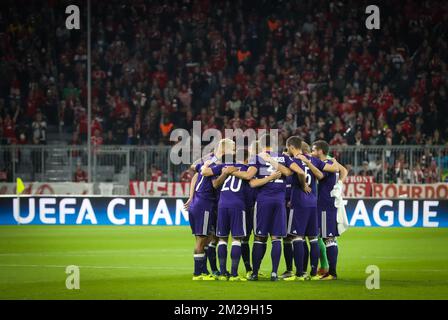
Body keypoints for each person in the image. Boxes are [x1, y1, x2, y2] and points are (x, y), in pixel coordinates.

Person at [283, 136, 339, 281]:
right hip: (313, 202)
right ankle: (314, 272)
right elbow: (322, 174)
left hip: (299, 202)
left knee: (297, 237)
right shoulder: (313, 160)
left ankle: (300, 273)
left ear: (291, 147)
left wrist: (302, 185)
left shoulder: (293, 160)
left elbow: (297, 173)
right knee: (313, 238)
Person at [311, 140, 348, 280]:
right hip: (325, 203)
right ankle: (327, 269)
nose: (312, 152)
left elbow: (321, 176)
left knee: (328, 238)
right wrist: (340, 182)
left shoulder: (327, 164)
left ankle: (332, 273)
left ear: (320, 151)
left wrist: (309, 163)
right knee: (323, 237)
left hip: (326, 204)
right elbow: (344, 170)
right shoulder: (332, 161)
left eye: (314, 150)